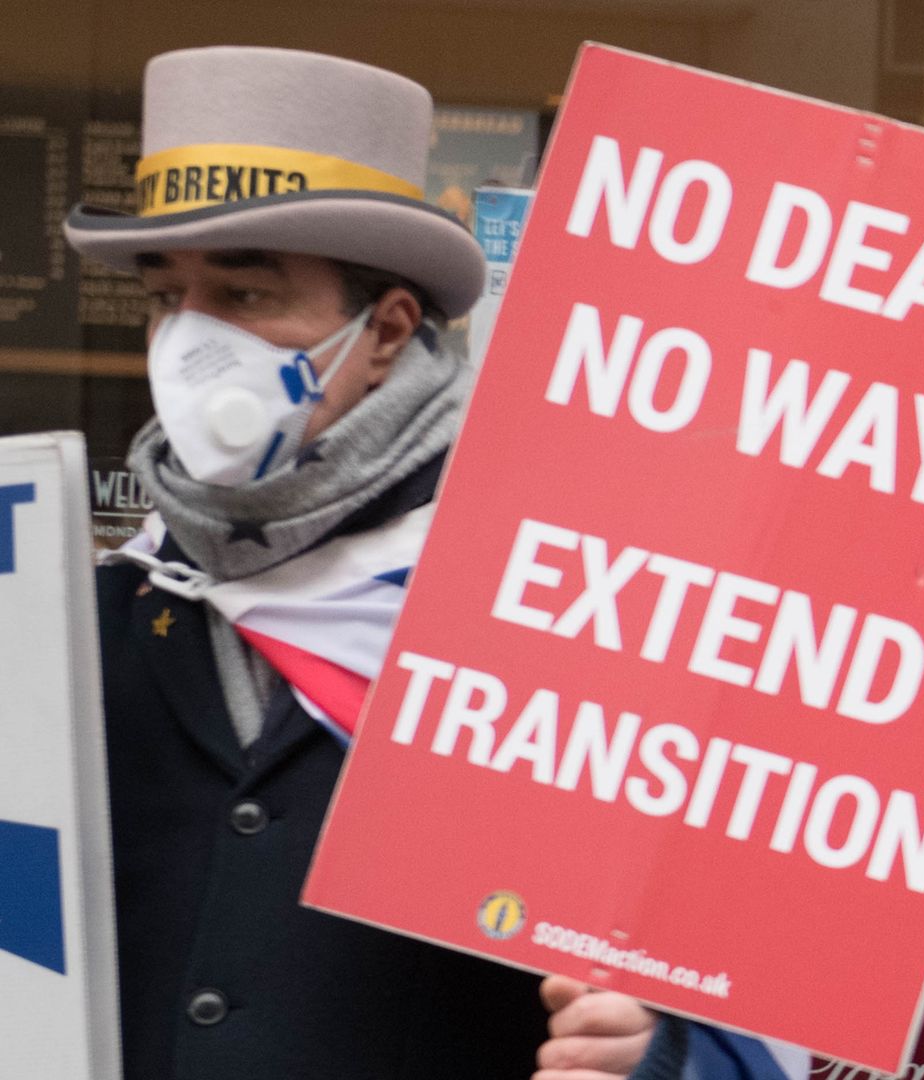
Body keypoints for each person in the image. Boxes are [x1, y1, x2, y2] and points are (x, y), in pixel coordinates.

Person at [68, 46, 798, 1080]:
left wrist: (658, 1051)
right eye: (168, 297)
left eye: (242, 293)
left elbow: (729, 998)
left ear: (388, 329)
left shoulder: (565, 605)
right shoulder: (92, 616)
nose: (191, 342)